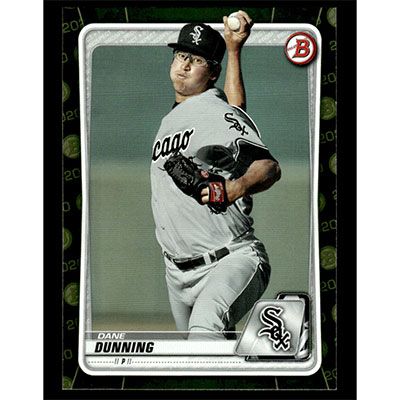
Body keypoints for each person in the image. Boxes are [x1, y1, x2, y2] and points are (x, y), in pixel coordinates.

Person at [150, 13, 281, 340]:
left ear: (212, 73)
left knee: (204, 336)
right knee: (202, 359)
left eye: (196, 60)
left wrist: (234, 188)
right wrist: (234, 50)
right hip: (177, 274)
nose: (184, 65)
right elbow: (236, 113)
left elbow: (269, 167)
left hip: (230, 259)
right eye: (181, 54)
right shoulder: (175, 118)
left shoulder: (212, 111)